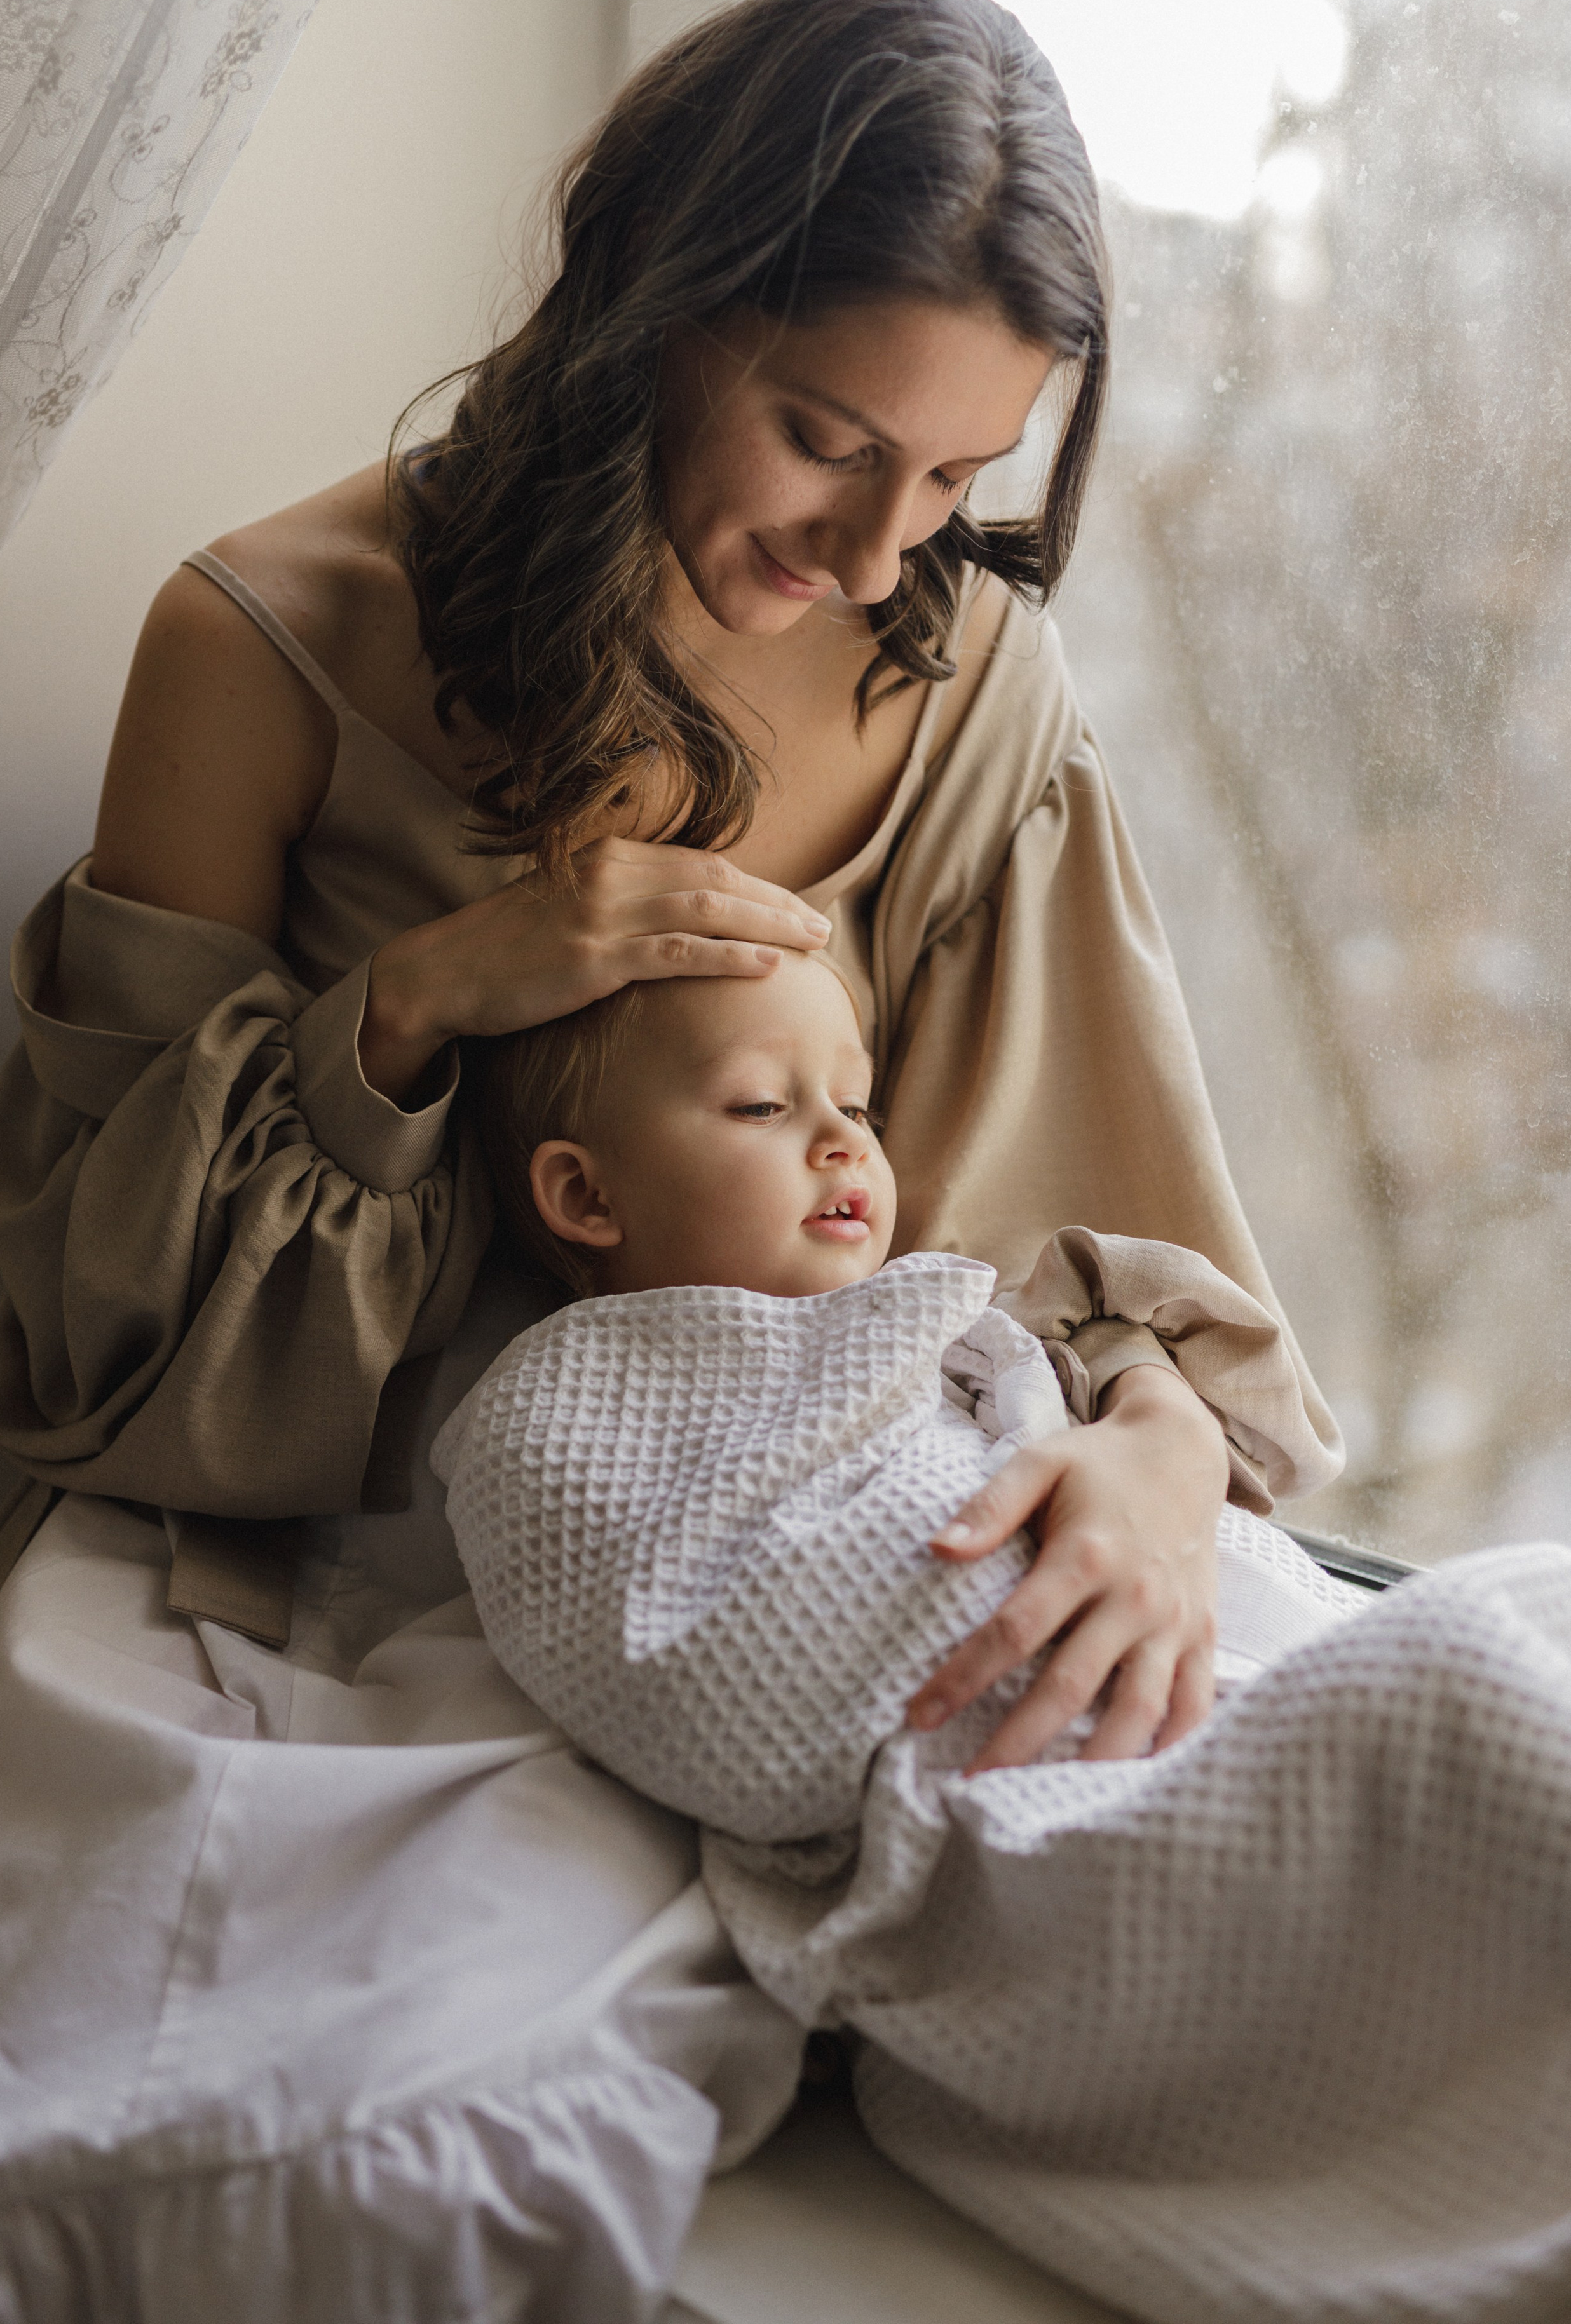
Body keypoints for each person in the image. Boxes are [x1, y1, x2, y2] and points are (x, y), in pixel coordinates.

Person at [0, 0, 1342, 2322]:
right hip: (354, 1544)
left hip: (843, 1499)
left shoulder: (967, 684)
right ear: (653, 310)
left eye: (962, 480)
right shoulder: (267, 637)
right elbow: (107, 1333)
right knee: (290, 2133)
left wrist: (1158, 1467)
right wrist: (425, 998)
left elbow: (1075, 1217)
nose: (885, 550)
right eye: (827, 436)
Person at [440, 950, 1571, 2324]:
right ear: (583, 1192)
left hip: (1229, 1662)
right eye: (760, 1107)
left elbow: (1148, 1486)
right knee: (1461, 1696)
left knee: (1518, 1609)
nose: (840, 1138)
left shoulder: (968, 1339)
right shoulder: (554, 1406)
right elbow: (706, 1681)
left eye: (853, 1103)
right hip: (1027, 1805)